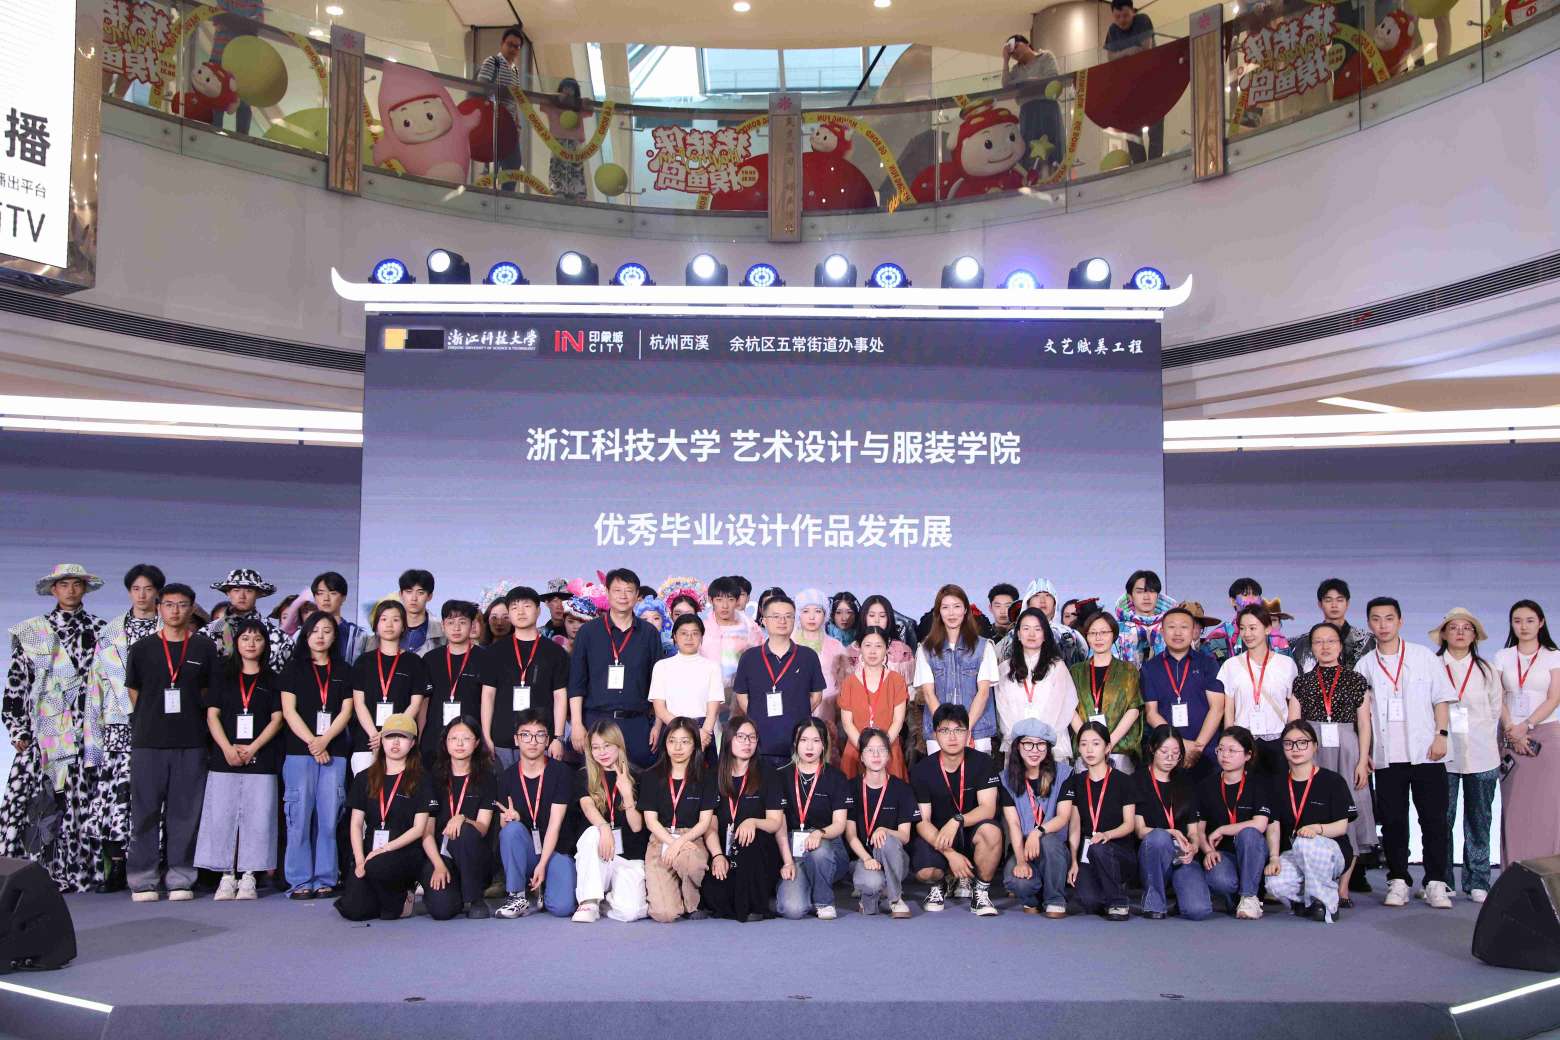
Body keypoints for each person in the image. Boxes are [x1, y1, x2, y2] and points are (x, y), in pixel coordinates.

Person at [2, 564, 113, 893]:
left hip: (87, 732)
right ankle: (32, 875)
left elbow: (111, 685)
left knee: (82, 803)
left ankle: (82, 872)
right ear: (54, 590)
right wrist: (18, 730)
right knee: (37, 802)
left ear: (84, 588)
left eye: (76, 584)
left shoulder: (100, 630)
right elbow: (16, 685)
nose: (70, 590)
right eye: (64, 584)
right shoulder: (33, 631)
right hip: (44, 732)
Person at [1359, 596, 1456, 909]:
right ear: (1369, 624)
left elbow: (1441, 699)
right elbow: (1362, 716)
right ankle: (1398, 879)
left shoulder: (1423, 656)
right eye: (1376, 619)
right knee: (1393, 822)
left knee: (1434, 820)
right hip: (1387, 757)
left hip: (1426, 753)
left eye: (1389, 618)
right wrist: (1365, 751)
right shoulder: (1365, 664)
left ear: (1400, 621)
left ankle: (1436, 882)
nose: (1383, 625)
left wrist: (1441, 735)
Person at [123, 581, 217, 901]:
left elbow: (207, 692)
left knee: (185, 814)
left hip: (191, 741)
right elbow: (134, 691)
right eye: (169, 604)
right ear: (159, 608)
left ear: (192, 608)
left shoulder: (204, 648)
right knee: (145, 812)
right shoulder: (142, 648)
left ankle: (180, 877)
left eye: (182, 605)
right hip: (149, 741)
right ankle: (143, 879)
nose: (175, 611)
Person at [81, 563, 164, 893]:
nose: (142, 595)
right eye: (136, 589)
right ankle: (116, 864)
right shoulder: (110, 632)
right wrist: (93, 744)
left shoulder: (171, 629)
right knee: (115, 798)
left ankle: (155, 863)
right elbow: (94, 688)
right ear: (129, 592)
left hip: (159, 725)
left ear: (158, 592)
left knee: (154, 795)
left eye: (149, 589)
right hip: (118, 727)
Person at [1286, 621, 1375, 904]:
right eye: (1318, 642)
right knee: (1313, 808)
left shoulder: (1356, 680)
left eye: (1331, 641)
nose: (1325, 647)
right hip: (1312, 749)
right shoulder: (1302, 682)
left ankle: (1343, 887)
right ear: (1311, 647)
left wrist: (1362, 759)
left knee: (1350, 810)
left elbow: (1364, 723)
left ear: (1340, 646)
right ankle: (1315, 879)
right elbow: (1293, 724)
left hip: (1348, 749)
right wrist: (1294, 756)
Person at [195, 619, 284, 899]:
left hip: (261, 757)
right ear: (236, 643)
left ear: (265, 644)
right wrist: (226, 748)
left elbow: (277, 719)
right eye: (245, 638)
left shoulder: (273, 679)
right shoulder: (223, 676)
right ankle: (225, 875)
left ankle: (249, 875)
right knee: (221, 816)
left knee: (258, 818)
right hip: (225, 757)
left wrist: (253, 747)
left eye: (257, 639)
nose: (251, 644)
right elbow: (212, 715)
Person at [278, 611, 354, 898]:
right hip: (300, 752)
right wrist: (313, 742)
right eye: (314, 631)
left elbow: (346, 710)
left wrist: (325, 740)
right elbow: (289, 711)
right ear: (306, 635)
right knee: (298, 817)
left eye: (327, 631)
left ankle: (325, 878)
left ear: (335, 636)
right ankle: (299, 880)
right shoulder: (293, 668)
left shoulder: (344, 669)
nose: (320, 636)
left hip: (335, 752)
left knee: (329, 817)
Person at [335, 713, 437, 921]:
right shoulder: (364, 777)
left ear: (413, 743)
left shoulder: (422, 779)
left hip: (405, 851)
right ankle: (381, 896)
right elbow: (356, 824)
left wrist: (384, 849)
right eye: (390, 736)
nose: (395, 743)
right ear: (381, 741)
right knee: (354, 910)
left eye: (403, 737)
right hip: (370, 854)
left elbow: (419, 829)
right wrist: (360, 860)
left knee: (388, 907)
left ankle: (404, 895)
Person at [1432, 608, 1502, 904]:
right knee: (1441, 820)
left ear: (1475, 635)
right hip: (1442, 755)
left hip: (1482, 754)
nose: (1460, 632)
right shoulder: (1433, 666)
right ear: (1444, 634)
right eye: (1454, 627)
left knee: (1479, 820)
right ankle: (1443, 880)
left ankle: (1478, 880)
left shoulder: (1487, 670)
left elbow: (1495, 709)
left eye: (1467, 628)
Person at [910, 704, 1002, 916]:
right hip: (938, 837)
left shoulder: (983, 762)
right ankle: (941, 883)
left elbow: (988, 808)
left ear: (968, 734)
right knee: (926, 872)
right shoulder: (922, 770)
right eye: (945, 730)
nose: (952, 737)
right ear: (935, 735)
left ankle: (980, 892)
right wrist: (950, 855)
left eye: (958, 730)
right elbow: (923, 822)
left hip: (970, 832)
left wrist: (957, 820)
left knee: (992, 831)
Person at [1264, 720, 1357, 922]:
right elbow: (1273, 824)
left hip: (1332, 851)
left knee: (1306, 843)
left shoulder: (1332, 781)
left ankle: (1326, 904)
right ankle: (1308, 902)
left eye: (1302, 742)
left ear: (1314, 746)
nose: (1295, 748)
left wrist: (1317, 829)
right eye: (1289, 743)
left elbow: (1341, 827)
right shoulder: (1276, 784)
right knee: (1274, 883)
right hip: (1295, 852)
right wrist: (1274, 857)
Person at [569, 568, 661, 768]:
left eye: (629, 591)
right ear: (607, 593)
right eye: (617, 590)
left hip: (636, 723)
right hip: (596, 721)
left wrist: (657, 724)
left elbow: (659, 684)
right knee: (597, 780)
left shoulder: (649, 634)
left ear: (637, 595)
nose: (623, 596)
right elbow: (576, 682)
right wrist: (576, 724)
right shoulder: (588, 632)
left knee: (639, 779)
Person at [700, 716, 787, 922]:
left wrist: (753, 822)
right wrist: (717, 855)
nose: (747, 742)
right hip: (723, 848)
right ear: (729, 739)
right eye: (741, 737)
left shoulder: (768, 774)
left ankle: (756, 904)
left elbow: (775, 822)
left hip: (757, 849)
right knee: (715, 896)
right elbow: (710, 824)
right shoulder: (713, 776)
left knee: (751, 843)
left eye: (752, 737)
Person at [494, 710, 578, 919]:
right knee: (511, 830)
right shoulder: (507, 777)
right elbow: (504, 831)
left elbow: (555, 825)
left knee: (562, 908)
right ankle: (517, 896)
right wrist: (509, 821)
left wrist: (542, 865)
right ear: (516, 739)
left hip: (556, 851)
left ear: (547, 740)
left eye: (540, 735)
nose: (533, 741)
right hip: (528, 852)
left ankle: (543, 887)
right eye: (526, 735)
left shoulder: (561, 772)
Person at [1498, 600, 1560, 868]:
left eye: (1530, 620)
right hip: (1510, 734)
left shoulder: (1553, 655)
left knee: (1548, 808)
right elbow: (1497, 696)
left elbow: (1554, 697)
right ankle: (1513, 872)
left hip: (1546, 735)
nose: (1523, 626)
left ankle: (1549, 872)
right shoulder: (1503, 656)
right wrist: (1512, 730)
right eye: (1517, 621)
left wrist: (1527, 725)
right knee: (1515, 807)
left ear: (1541, 623)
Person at [733, 594, 826, 770]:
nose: (782, 621)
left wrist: (797, 715)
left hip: (798, 746)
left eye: (788, 616)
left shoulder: (808, 656)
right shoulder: (750, 657)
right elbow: (742, 697)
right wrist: (759, 716)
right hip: (760, 744)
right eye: (776, 616)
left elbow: (816, 696)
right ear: (764, 621)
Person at [482, 586, 570, 770]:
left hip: (542, 739)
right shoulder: (494, 652)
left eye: (527, 606)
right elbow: (488, 695)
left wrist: (558, 737)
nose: (520, 612)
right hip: (502, 739)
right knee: (503, 786)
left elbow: (560, 696)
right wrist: (486, 737)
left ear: (538, 610)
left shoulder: (555, 652)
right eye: (514, 607)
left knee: (542, 786)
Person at [571, 720, 648, 922]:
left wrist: (627, 795)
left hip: (628, 857)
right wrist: (604, 827)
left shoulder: (639, 775)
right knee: (592, 833)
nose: (602, 752)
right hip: (600, 854)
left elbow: (637, 827)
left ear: (618, 745)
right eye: (596, 747)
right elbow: (587, 807)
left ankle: (606, 900)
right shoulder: (584, 775)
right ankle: (589, 902)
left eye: (607, 746)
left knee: (630, 912)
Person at [640, 716, 714, 922]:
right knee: (664, 914)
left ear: (694, 745)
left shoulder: (706, 777)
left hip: (691, 838)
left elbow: (705, 822)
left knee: (691, 864)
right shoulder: (651, 776)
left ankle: (692, 902)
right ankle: (676, 897)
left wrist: (679, 842)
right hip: (660, 838)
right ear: (665, 743)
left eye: (685, 741)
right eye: (672, 741)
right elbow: (650, 821)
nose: (678, 747)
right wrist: (671, 843)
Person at [1133, 725, 1211, 920]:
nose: (1170, 758)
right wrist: (1171, 832)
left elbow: (1193, 831)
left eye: (1176, 753)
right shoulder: (1137, 780)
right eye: (1164, 751)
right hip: (1153, 851)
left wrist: (1193, 846)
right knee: (1158, 837)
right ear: (1152, 749)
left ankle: (1178, 896)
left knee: (1199, 910)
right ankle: (1154, 901)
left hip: (1181, 854)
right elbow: (1140, 830)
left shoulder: (1186, 782)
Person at [1062, 721, 1137, 920]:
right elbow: (1075, 825)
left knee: (1099, 849)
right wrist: (1074, 861)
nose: (1089, 750)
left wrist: (1107, 835)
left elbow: (1129, 824)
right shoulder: (1076, 781)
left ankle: (1118, 902)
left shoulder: (1124, 781)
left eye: (1096, 744)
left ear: (1107, 748)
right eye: (1084, 744)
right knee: (1089, 902)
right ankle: (1107, 889)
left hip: (1119, 851)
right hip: (1088, 853)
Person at [776, 719, 851, 920]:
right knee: (792, 909)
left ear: (824, 744)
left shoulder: (836, 777)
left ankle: (824, 902)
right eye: (804, 740)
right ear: (795, 743)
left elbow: (840, 824)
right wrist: (787, 862)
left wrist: (820, 833)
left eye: (816, 741)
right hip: (793, 849)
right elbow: (779, 825)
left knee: (819, 851)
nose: (809, 747)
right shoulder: (781, 776)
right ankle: (811, 886)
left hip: (828, 844)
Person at [423, 718, 496, 920]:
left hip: (472, 852)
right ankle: (454, 893)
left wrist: (462, 819)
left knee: (465, 831)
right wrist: (438, 864)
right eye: (454, 738)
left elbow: (483, 827)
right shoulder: (432, 778)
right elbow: (426, 832)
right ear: (445, 742)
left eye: (466, 738)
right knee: (442, 910)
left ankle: (475, 898)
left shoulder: (487, 778)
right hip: (439, 854)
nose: (460, 744)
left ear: (477, 742)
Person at [914, 585, 1001, 755]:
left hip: (977, 730)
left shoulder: (984, 647)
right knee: (940, 773)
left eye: (956, 606)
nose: (951, 613)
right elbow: (929, 695)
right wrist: (947, 729)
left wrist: (965, 729)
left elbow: (983, 693)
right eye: (945, 607)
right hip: (938, 732)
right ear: (938, 612)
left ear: (965, 610)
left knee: (977, 772)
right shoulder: (925, 649)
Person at [1000, 719, 1072, 918]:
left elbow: (1063, 817)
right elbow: (1013, 824)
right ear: (1018, 746)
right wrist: (1021, 861)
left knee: (1048, 842)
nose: (1035, 750)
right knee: (1017, 881)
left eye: (1041, 744)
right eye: (1028, 744)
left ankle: (1055, 899)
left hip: (1055, 848)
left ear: (1048, 748)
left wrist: (1037, 832)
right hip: (1024, 848)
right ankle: (1033, 898)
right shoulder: (1006, 779)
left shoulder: (1064, 774)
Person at [1197, 727, 1272, 919]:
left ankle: (1249, 897)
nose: (1225, 755)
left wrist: (1223, 829)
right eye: (1221, 749)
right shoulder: (1206, 785)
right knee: (1221, 880)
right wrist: (1208, 851)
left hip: (1252, 850)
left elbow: (1260, 824)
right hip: (1223, 853)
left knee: (1249, 833)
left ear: (1248, 755)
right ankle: (1237, 898)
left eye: (1232, 750)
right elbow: (1200, 829)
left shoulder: (1258, 784)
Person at [1143, 606, 1225, 780]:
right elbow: (1151, 713)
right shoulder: (1150, 668)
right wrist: (1179, 745)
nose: (1178, 633)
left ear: (1194, 631)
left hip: (1206, 752)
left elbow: (1217, 708)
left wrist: (1198, 746)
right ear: (1162, 631)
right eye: (1172, 627)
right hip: (1166, 754)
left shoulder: (1208, 664)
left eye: (1184, 627)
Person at [350, 601, 432, 776]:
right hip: (368, 741)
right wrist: (375, 735)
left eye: (395, 620)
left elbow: (415, 704)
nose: (389, 624)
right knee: (365, 790)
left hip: (401, 740)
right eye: (383, 619)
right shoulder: (363, 661)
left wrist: (391, 732)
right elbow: (359, 704)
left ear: (403, 626)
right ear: (376, 625)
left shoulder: (414, 662)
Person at [845, 728, 918, 918]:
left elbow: (905, 836)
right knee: (871, 884)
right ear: (861, 757)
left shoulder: (902, 789)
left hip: (895, 857)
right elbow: (850, 835)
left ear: (889, 755)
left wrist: (884, 830)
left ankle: (895, 899)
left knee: (887, 840)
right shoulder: (851, 788)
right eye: (870, 750)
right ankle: (872, 892)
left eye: (881, 750)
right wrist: (867, 859)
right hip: (863, 858)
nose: (876, 755)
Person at [1218, 604, 1296, 775]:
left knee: (1278, 788)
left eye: (1253, 628)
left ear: (1267, 628)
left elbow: (1293, 707)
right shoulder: (1230, 665)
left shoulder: (1286, 664)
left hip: (1278, 741)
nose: (1247, 634)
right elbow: (1229, 709)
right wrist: (1229, 744)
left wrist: (1292, 741)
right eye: (1242, 628)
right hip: (1242, 743)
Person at [994, 608, 1079, 759]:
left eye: (1037, 629)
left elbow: (1063, 708)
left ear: (1045, 635)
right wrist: (1022, 741)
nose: (1031, 634)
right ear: (1018, 634)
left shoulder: (1057, 667)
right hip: (1017, 745)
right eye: (1026, 628)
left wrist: (1041, 740)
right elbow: (1003, 710)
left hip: (1052, 745)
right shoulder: (1004, 669)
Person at [1069, 611, 1143, 772]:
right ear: (1087, 637)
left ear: (1114, 635)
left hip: (1118, 750)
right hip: (1085, 752)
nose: (1098, 638)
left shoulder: (1128, 670)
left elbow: (1134, 708)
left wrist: (1108, 743)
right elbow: (1070, 709)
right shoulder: (1076, 671)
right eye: (1093, 633)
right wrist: (1088, 742)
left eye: (1104, 632)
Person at [418, 601, 485, 770]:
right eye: (450, 622)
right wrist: (419, 738)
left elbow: (489, 702)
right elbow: (424, 703)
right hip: (434, 739)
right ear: (443, 626)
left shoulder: (485, 658)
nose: (456, 628)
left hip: (470, 740)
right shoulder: (430, 659)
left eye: (462, 622)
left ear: (472, 625)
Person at [837, 627, 909, 779]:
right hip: (856, 750)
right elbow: (847, 724)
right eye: (867, 645)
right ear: (860, 648)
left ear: (886, 649)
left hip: (889, 749)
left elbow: (898, 721)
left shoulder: (896, 680)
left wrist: (881, 750)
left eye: (878, 646)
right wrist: (865, 750)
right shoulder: (849, 682)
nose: (872, 651)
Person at [650, 615, 724, 757]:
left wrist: (704, 732)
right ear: (675, 636)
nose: (689, 638)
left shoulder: (712, 667)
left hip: (703, 733)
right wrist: (686, 731)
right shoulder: (662, 666)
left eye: (695, 633)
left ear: (701, 637)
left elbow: (713, 710)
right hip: (672, 729)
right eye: (684, 633)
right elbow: (660, 709)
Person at [1103, 0, 1163, 164]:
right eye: (1117, 17)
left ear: (1133, 12)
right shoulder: (1112, 30)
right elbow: (1110, 58)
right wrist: (1130, 50)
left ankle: (1156, 165)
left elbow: (1145, 48)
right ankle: (1138, 168)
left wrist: (1121, 54)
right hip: (1128, 86)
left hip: (1151, 82)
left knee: (1155, 128)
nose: (1122, 20)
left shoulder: (1143, 20)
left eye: (1126, 15)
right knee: (1131, 130)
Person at [203, 568, 290, 672]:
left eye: (249, 591)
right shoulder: (208, 632)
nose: (242, 596)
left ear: (258, 593)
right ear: (228, 593)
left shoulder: (279, 638)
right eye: (236, 590)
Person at [1002, 34, 1063, 176]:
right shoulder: (1016, 70)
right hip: (1028, 112)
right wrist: (1005, 60)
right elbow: (1006, 87)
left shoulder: (1046, 57)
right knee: (1029, 151)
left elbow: (1052, 78)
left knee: (1052, 148)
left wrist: (1026, 85)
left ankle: (1055, 179)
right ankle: (1033, 181)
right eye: (1011, 53)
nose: (1015, 53)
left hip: (1048, 108)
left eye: (1016, 46)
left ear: (1027, 43)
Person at [476, 25, 527, 191]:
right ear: (502, 44)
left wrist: (517, 122)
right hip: (494, 121)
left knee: (513, 164)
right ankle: (487, 197)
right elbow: (481, 88)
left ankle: (506, 197)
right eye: (510, 44)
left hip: (509, 126)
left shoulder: (515, 70)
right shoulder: (493, 62)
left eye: (517, 46)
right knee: (494, 165)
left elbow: (515, 99)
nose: (513, 49)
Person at [700, 575, 765, 702]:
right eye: (719, 600)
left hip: (740, 694)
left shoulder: (749, 627)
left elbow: (758, 660)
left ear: (737, 601)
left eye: (730, 600)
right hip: (708, 694)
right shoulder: (702, 629)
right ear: (710, 600)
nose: (725, 606)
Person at [795, 589, 849, 738]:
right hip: (794, 710)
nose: (812, 617)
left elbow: (844, 684)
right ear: (798, 614)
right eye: (806, 611)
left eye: (818, 611)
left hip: (827, 711)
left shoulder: (836, 646)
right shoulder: (788, 644)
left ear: (825, 615)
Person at [1289, 578, 1374, 672]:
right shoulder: (1300, 644)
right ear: (1320, 604)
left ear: (1347, 603)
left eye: (1339, 600)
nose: (1334, 605)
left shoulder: (1368, 641)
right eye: (1328, 600)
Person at [1114, 570, 1175, 664]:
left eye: (1152, 591)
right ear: (1130, 596)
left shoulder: (1173, 627)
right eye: (1140, 592)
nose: (1146, 597)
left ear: (1158, 596)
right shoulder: (1117, 629)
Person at [309, 572, 363, 666]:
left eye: (333, 593)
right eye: (321, 593)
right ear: (314, 597)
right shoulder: (304, 632)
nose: (326, 598)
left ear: (343, 597)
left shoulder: (357, 635)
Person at [395, 569, 442, 654]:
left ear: (429, 596)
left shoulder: (442, 632)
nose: (414, 598)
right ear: (400, 594)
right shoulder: (386, 630)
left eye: (420, 592)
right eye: (409, 592)